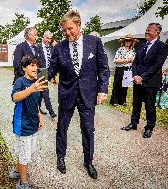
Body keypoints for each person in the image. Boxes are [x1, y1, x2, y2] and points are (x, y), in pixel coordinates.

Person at [47, 10, 109, 179]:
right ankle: (60, 157)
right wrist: (35, 79)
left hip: (88, 94)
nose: (67, 33)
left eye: (70, 29)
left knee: (88, 130)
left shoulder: (94, 42)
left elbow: (103, 69)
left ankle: (88, 162)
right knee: (62, 128)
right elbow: (51, 69)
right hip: (67, 94)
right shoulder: (59, 47)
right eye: (64, 30)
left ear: (79, 25)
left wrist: (103, 90)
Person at [122, 23, 168, 138]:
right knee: (136, 104)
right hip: (137, 80)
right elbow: (135, 62)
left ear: (157, 33)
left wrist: (142, 77)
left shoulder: (161, 46)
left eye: (149, 30)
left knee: (149, 106)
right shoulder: (141, 45)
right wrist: (135, 76)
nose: (146, 32)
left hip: (150, 82)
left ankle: (149, 127)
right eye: (146, 30)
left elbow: (157, 66)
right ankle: (133, 123)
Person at [10, 55, 47, 189]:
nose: (35, 68)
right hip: (22, 125)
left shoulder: (38, 82)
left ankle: (16, 171)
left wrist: (40, 117)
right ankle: (23, 183)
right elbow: (15, 97)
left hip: (33, 124)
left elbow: (36, 103)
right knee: (25, 156)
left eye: (37, 65)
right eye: (32, 65)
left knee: (28, 152)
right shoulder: (21, 81)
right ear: (24, 67)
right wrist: (32, 88)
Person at [110, 34, 138, 106]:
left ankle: (122, 101)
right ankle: (115, 101)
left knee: (125, 85)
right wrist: (127, 60)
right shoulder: (120, 49)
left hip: (129, 69)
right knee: (117, 84)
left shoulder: (133, 50)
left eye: (129, 41)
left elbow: (134, 60)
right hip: (120, 68)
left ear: (131, 42)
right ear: (124, 42)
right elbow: (116, 60)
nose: (128, 42)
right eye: (127, 41)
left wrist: (133, 61)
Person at [37, 31, 57, 118]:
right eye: (47, 38)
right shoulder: (38, 47)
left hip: (49, 71)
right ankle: (51, 111)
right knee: (45, 90)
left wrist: (53, 76)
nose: (48, 40)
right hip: (41, 71)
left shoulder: (51, 48)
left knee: (41, 92)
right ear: (43, 37)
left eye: (50, 39)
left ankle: (37, 108)